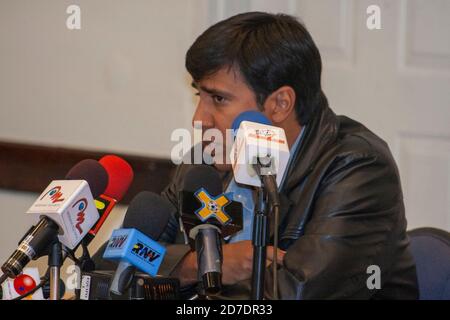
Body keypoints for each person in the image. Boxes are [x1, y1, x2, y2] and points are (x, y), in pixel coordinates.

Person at [96, 11, 418, 299]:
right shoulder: (205, 162)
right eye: (199, 94)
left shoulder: (358, 168)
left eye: (218, 99)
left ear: (279, 104)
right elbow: (114, 261)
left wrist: (174, 273)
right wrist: (205, 264)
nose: (198, 119)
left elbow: (294, 293)